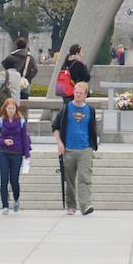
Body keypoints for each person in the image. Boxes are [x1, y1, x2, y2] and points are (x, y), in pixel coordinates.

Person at [53, 81, 97, 215]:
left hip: (85, 148)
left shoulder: (90, 110)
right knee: (69, 180)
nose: (78, 95)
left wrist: (93, 145)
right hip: (69, 149)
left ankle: (85, 205)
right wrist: (59, 143)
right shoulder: (66, 109)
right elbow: (55, 127)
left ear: (85, 95)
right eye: (76, 92)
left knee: (85, 177)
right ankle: (71, 206)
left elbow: (92, 129)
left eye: (81, 93)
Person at [0, 98, 31, 214]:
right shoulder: (1, 121)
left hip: (17, 154)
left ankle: (16, 199)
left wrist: (27, 155)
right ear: (5, 109)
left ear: (16, 109)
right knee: (4, 179)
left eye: (13, 108)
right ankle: (4, 205)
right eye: (9, 108)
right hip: (3, 153)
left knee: (14, 180)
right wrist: (3, 141)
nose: (11, 110)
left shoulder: (21, 121)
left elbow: (25, 139)